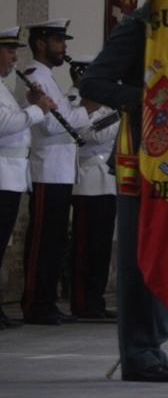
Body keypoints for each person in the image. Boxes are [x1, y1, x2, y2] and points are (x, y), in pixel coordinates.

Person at [79, 2, 168, 382]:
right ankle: (137, 351)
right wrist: (145, 99)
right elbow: (93, 83)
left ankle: (155, 345)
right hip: (138, 155)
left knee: (165, 253)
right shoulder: (136, 27)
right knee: (138, 257)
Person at [18, 19, 92, 324]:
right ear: (41, 43)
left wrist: (82, 112)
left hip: (62, 170)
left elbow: (65, 120)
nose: (64, 48)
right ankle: (35, 302)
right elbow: (50, 126)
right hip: (47, 169)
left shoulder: (50, 78)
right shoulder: (35, 76)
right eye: (58, 41)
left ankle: (47, 301)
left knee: (56, 240)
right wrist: (87, 108)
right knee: (43, 240)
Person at [0, 26, 57, 330]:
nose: (13, 58)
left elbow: (14, 122)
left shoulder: (4, 89)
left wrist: (28, 105)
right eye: (9, 51)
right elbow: (3, 126)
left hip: (11, 176)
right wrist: (36, 110)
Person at [66, 57, 121, 319]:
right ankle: (81, 301)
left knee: (100, 246)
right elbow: (89, 136)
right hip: (87, 179)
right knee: (85, 247)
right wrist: (122, 114)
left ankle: (95, 300)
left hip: (106, 180)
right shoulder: (74, 101)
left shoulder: (101, 104)